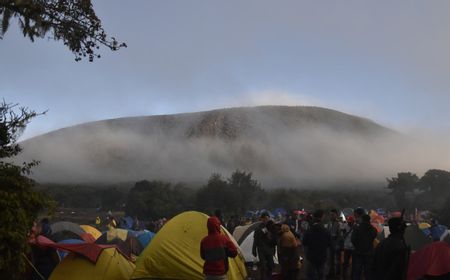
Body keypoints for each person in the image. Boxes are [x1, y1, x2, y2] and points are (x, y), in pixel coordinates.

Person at [302, 209, 331, 280]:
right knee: (321, 275)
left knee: (311, 275)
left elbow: (304, 242)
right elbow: (329, 243)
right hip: (322, 256)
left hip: (311, 256)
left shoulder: (309, 230)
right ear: (322, 217)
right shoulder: (326, 230)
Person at [351, 214, 377, 280]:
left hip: (358, 253)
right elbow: (373, 237)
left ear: (362, 219)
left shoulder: (357, 229)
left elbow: (353, 239)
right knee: (368, 273)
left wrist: (357, 246)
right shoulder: (374, 230)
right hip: (369, 253)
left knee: (357, 272)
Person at [252, 212, 276, 280]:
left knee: (270, 266)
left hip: (269, 249)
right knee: (263, 267)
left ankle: (269, 277)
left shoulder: (272, 227)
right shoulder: (258, 228)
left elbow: (274, 239)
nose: (266, 220)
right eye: (264, 218)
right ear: (261, 219)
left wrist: (274, 249)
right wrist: (254, 249)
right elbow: (255, 239)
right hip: (261, 249)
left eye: (267, 218)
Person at [326, 209, 342, 278]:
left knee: (336, 261)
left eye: (332, 214)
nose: (331, 216)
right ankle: (330, 273)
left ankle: (337, 274)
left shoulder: (339, 223)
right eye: (330, 214)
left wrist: (338, 245)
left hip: (336, 244)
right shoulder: (329, 223)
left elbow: (340, 236)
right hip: (330, 244)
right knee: (330, 260)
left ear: (336, 215)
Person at [342, 216, 355, 280]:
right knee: (346, 263)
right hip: (347, 247)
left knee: (353, 264)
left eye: (350, 222)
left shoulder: (356, 227)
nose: (349, 223)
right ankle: (344, 276)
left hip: (353, 248)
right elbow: (343, 236)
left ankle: (352, 276)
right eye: (348, 222)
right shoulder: (345, 226)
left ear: (353, 221)